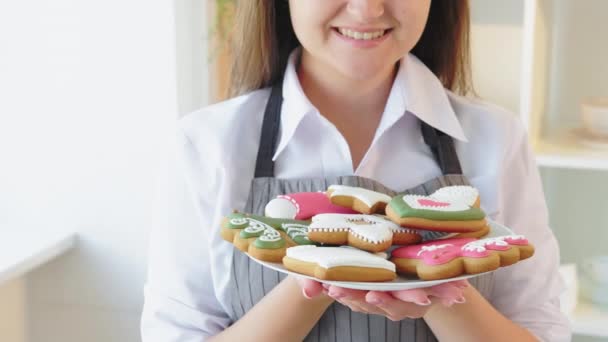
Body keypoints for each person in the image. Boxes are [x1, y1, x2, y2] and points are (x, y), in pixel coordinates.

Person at [141, 1, 571, 341]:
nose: (367, 9)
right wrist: (324, 271)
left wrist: (434, 286)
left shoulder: (495, 140)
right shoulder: (206, 147)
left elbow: (541, 332)